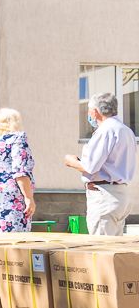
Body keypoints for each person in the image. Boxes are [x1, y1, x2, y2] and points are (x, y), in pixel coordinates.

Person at [63, 92, 137, 235]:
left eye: (89, 110)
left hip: (105, 197)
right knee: (115, 251)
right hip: (121, 194)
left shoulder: (105, 130)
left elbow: (90, 166)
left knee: (101, 250)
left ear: (95, 111)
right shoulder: (126, 131)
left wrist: (71, 162)